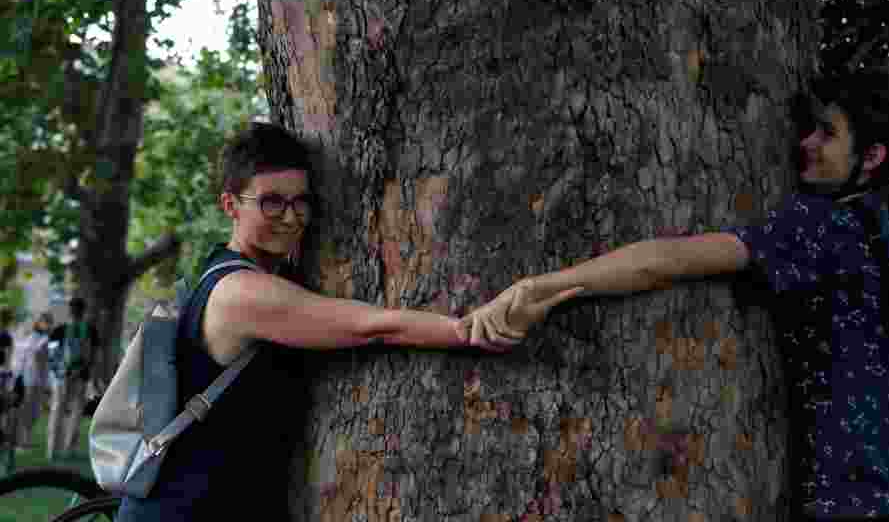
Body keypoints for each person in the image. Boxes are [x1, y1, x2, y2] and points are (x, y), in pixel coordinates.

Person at [465, 73, 889, 519]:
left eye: (827, 134)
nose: (805, 144)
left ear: (872, 157)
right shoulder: (877, 228)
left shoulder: (825, 226)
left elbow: (666, 261)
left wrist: (537, 286)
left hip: (858, 499)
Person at [115, 122, 568, 522]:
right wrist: (465, 328)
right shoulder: (241, 293)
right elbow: (372, 326)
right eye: (271, 203)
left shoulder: (250, 272)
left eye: (300, 203)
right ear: (231, 205)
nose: (291, 218)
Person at [47, 296, 101, 460]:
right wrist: (89, 372)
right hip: (81, 375)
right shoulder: (91, 330)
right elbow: (95, 356)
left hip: (63, 376)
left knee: (58, 410)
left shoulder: (59, 330)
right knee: (76, 412)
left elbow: (52, 355)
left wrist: (59, 372)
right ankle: (68, 448)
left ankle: (53, 449)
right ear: (83, 311)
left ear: (70, 311)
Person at [10, 312, 53, 448]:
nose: (47, 325)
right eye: (45, 322)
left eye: (48, 322)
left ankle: (23, 439)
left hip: (34, 379)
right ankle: (22, 440)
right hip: (31, 380)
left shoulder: (42, 339)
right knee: (29, 410)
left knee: (32, 411)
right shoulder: (37, 339)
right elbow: (36, 358)